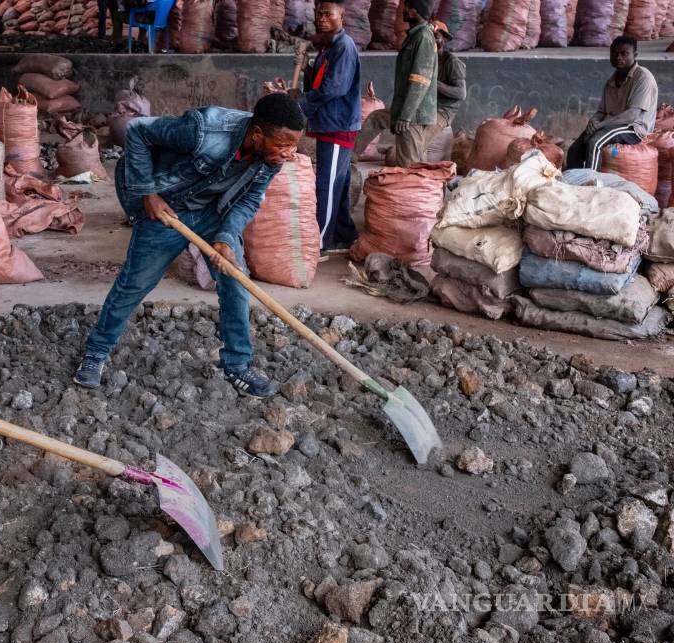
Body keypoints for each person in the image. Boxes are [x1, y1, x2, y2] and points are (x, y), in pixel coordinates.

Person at [73, 93, 306, 398]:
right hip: (166, 205)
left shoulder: (271, 156)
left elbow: (249, 200)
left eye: (294, 145)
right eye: (284, 144)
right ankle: (96, 352)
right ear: (258, 134)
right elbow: (137, 131)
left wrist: (225, 238)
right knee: (136, 282)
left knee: (235, 279)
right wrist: (148, 193)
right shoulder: (205, 130)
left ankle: (237, 364)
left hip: (213, 210)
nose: (290, 153)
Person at [296, 0, 361, 255]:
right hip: (331, 123)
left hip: (338, 125)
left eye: (328, 14)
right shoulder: (329, 47)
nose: (322, 19)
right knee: (339, 182)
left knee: (327, 184)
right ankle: (344, 234)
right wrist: (306, 69)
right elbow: (321, 80)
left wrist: (301, 104)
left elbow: (334, 88)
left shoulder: (344, 47)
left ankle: (321, 242)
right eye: (319, 14)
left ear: (341, 16)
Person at [354, 19, 465, 162]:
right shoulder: (422, 55)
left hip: (441, 111)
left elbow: (461, 93)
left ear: (444, 39)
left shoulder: (451, 62)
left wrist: (432, 84)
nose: (434, 37)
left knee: (413, 144)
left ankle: (429, 180)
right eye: (432, 33)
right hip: (419, 108)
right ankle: (351, 155)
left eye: (438, 34)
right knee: (376, 118)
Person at [351, 0, 438, 170]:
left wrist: (405, 116)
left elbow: (419, 81)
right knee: (375, 118)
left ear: (413, 12)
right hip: (405, 110)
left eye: (405, 7)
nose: (402, 10)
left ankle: (423, 193)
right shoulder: (415, 36)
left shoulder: (423, 38)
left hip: (413, 116)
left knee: (409, 168)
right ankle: (349, 157)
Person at [566, 35, 659, 171]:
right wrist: (593, 122)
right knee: (575, 149)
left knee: (595, 142)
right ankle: (573, 184)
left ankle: (591, 185)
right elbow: (602, 112)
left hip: (633, 128)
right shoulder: (611, 81)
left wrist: (601, 124)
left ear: (635, 55)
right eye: (614, 53)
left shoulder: (643, 77)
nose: (618, 57)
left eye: (624, 53)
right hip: (610, 125)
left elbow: (632, 115)